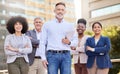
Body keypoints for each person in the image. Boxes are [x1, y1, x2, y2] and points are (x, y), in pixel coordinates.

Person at [40, 2, 78, 74]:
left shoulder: (70, 25)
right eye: (58, 9)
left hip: (66, 55)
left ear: (65, 12)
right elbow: (42, 42)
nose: (60, 11)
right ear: (54, 11)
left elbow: (75, 42)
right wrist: (43, 58)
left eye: (62, 10)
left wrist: (69, 42)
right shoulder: (47, 25)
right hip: (52, 56)